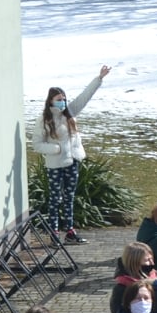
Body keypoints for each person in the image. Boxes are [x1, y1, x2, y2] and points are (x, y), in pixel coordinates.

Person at [32, 66, 110, 242]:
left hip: (72, 162)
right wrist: (55, 149)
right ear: (50, 101)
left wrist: (99, 79)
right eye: (59, 99)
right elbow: (36, 144)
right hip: (55, 164)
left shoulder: (70, 113)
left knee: (69, 197)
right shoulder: (44, 120)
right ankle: (54, 233)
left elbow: (85, 97)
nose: (63, 102)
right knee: (54, 199)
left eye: (64, 99)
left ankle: (70, 232)